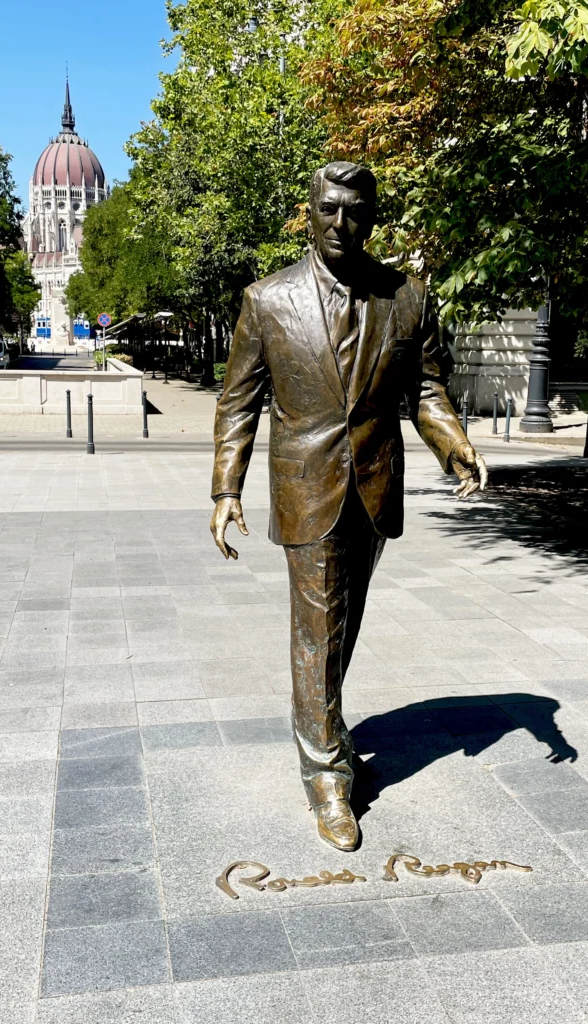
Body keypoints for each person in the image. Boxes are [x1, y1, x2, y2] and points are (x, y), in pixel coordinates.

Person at [211, 161, 487, 850]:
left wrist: (453, 443)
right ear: (309, 213)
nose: (341, 222)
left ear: (372, 217)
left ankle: (323, 726)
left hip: (373, 485)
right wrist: (225, 488)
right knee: (318, 625)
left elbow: (425, 389)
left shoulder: (407, 297)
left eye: (355, 210)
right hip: (305, 485)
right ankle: (327, 775)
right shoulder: (267, 300)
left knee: (341, 623)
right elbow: (238, 402)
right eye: (328, 208)